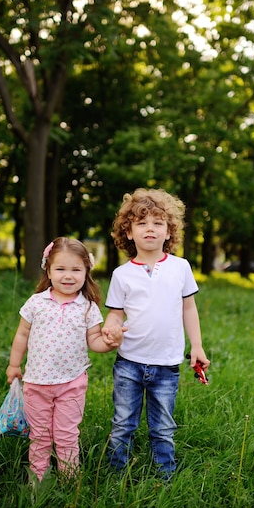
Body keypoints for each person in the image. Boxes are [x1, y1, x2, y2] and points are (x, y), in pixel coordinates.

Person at [103, 188, 210, 479]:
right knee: (123, 422)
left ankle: (165, 475)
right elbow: (115, 312)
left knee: (163, 426)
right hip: (129, 363)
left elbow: (189, 308)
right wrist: (111, 327)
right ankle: (115, 475)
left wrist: (196, 346)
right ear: (128, 232)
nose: (150, 228)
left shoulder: (180, 268)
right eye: (141, 222)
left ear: (169, 232)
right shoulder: (121, 274)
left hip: (166, 364)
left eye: (158, 222)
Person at [6, 237, 124, 481]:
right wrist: (14, 364)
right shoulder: (36, 303)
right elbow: (22, 334)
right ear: (48, 271)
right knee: (39, 435)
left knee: (66, 434)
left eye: (76, 270)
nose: (68, 276)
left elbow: (94, 341)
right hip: (36, 383)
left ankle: (70, 480)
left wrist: (110, 343)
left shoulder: (87, 307)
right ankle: (37, 480)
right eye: (60, 269)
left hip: (71, 383)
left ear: (86, 272)